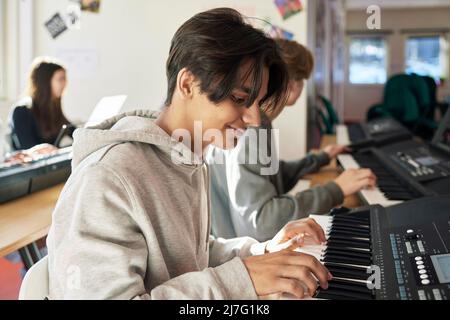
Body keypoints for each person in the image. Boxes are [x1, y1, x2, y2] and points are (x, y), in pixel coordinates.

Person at [46, 8, 332, 300]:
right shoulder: (108, 177)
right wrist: (241, 280)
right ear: (187, 84)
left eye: (257, 103)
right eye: (239, 99)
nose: (255, 120)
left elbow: (191, 257)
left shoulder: (187, 160)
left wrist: (262, 252)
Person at [206, 39, 376, 241]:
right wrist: (336, 190)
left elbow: (265, 177)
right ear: (293, 85)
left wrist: (316, 160)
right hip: (245, 253)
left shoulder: (247, 121)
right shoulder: (252, 128)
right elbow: (262, 222)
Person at [9, 57, 74, 150]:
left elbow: (71, 130)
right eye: (60, 79)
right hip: (30, 163)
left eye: (65, 79)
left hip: (49, 161)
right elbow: (28, 149)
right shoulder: (21, 111)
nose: (65, 83)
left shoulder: (52, 107)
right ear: (45, 82)